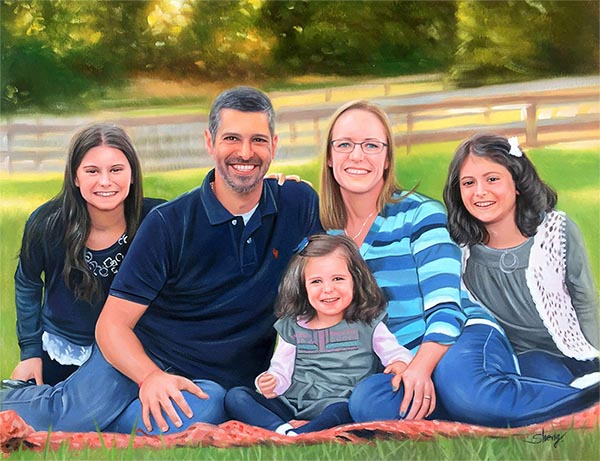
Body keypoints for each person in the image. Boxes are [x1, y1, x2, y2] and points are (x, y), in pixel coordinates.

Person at [0, 86, 322, 435]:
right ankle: (27, 399)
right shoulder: (169, 222)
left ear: (274, 146)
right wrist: (150, 377)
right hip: (138, 359)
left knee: (206, 407)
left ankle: (111, 418)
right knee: (67, 418)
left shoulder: (298, 202)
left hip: (218, 382)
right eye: (231, 138)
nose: (245, 152)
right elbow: (111, 326)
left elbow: (333, 273)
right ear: (209, 142)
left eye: (257, 140)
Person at [318, 99, 599, 428]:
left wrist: (421, 367)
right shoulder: (327, 236)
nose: (356, 155)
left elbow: (446, 306)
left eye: (370, 145)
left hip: (459, 336)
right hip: (402, 359)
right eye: (345, 144)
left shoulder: (421, 215)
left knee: (466, 391)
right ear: (329, 155)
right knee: (367, 402)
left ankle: (587, 400)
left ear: (386, 158)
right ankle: (477, 406)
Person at [5, 123, 164, 387]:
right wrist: (30, 353)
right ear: (75, 177)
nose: (105, 181)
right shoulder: (47, 223)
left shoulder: (157, 220)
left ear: (133, 174)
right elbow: (28, 283)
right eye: (92, 171)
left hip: (137, 355)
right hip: (65, 355)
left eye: (116, 170)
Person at [443, 133, 599, 386]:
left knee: (566, 376)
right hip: (512, 355)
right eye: (468, 183)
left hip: (568, 349)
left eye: (492, 179)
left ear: (517, 183)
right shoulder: (460, 248)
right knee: (536, 376)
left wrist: (594, 351)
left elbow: (585, 299)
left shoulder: (555, 233)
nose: (480, 192)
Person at [225, 234, 412, 435]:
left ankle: (303, 434)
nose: (328, 289)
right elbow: (281, 370)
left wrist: (400, 363)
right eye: (316, 281)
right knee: (236, 397)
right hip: (292, 406)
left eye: (338, 279)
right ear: (302, 287)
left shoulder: (368, 323)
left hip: (339, 404)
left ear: (356, 280)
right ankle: (283, 430)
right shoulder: (293, 325)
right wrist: (271, 382)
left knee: (343, 411)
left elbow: (394, 353)